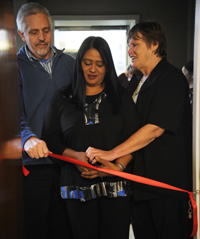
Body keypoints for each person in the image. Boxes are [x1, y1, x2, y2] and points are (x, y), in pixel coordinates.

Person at [86, 20, 193, 239]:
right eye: (128, 45)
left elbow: (154, 129)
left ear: (154, 44)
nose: (129, 51)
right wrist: (117, 165)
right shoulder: (137, 81)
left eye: (135, 44)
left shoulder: (171, 78)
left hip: (165, 187)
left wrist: (111, 154)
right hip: (139, 186)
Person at [42, 36, 139, 239]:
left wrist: (117, 168)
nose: (93, 69)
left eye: (99, 64)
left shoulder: (122, 98)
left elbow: (133, 140)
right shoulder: (62, 98)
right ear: (79, 64)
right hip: (76, 188)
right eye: (87, 63)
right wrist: (74, 156)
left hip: (116, 188)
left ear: (107, 66)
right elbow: (50, 138)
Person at [16, 2, 75, 239]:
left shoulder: (70, 64)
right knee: (36, 229)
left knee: (67, 229)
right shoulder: (11, 66)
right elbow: (12, 112)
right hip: (34, 165)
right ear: (21, 34)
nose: (42, 38)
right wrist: (28, 137)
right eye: (33, 32)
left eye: (46, 30)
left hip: (69, 163)